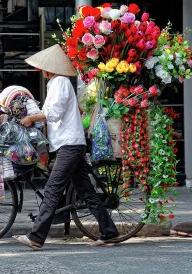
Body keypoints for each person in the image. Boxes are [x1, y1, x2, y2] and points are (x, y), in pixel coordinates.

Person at [13, 44, 119, 249]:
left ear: (49, 67)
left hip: (69, 145)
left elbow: (54, 114)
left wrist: (31, 118)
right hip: (70, 143)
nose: (40, 70)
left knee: (53, 189)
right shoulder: (56, 82)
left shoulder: (60, 82)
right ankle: (109, 232)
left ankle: (36, 237)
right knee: (86, 190)